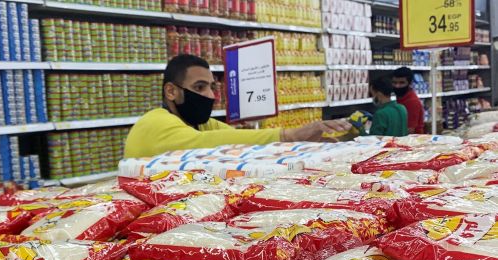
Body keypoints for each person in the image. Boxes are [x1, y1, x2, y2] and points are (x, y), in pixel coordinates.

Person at [124, 54, 351, 158]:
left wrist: (296, 145)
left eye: (212, 87)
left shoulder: (197, 123)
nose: (210, 95)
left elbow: (237, 139)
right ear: (171, 91)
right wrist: (289, 135)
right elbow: (206, 144)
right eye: (200, 87)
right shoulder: (155, 123)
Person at [392, 66, 425, 134]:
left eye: (402, 83)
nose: (397, 86)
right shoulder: (401, 97)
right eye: (394, 82)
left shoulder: (412, 102)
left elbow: (410, 130)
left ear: (410, 83)